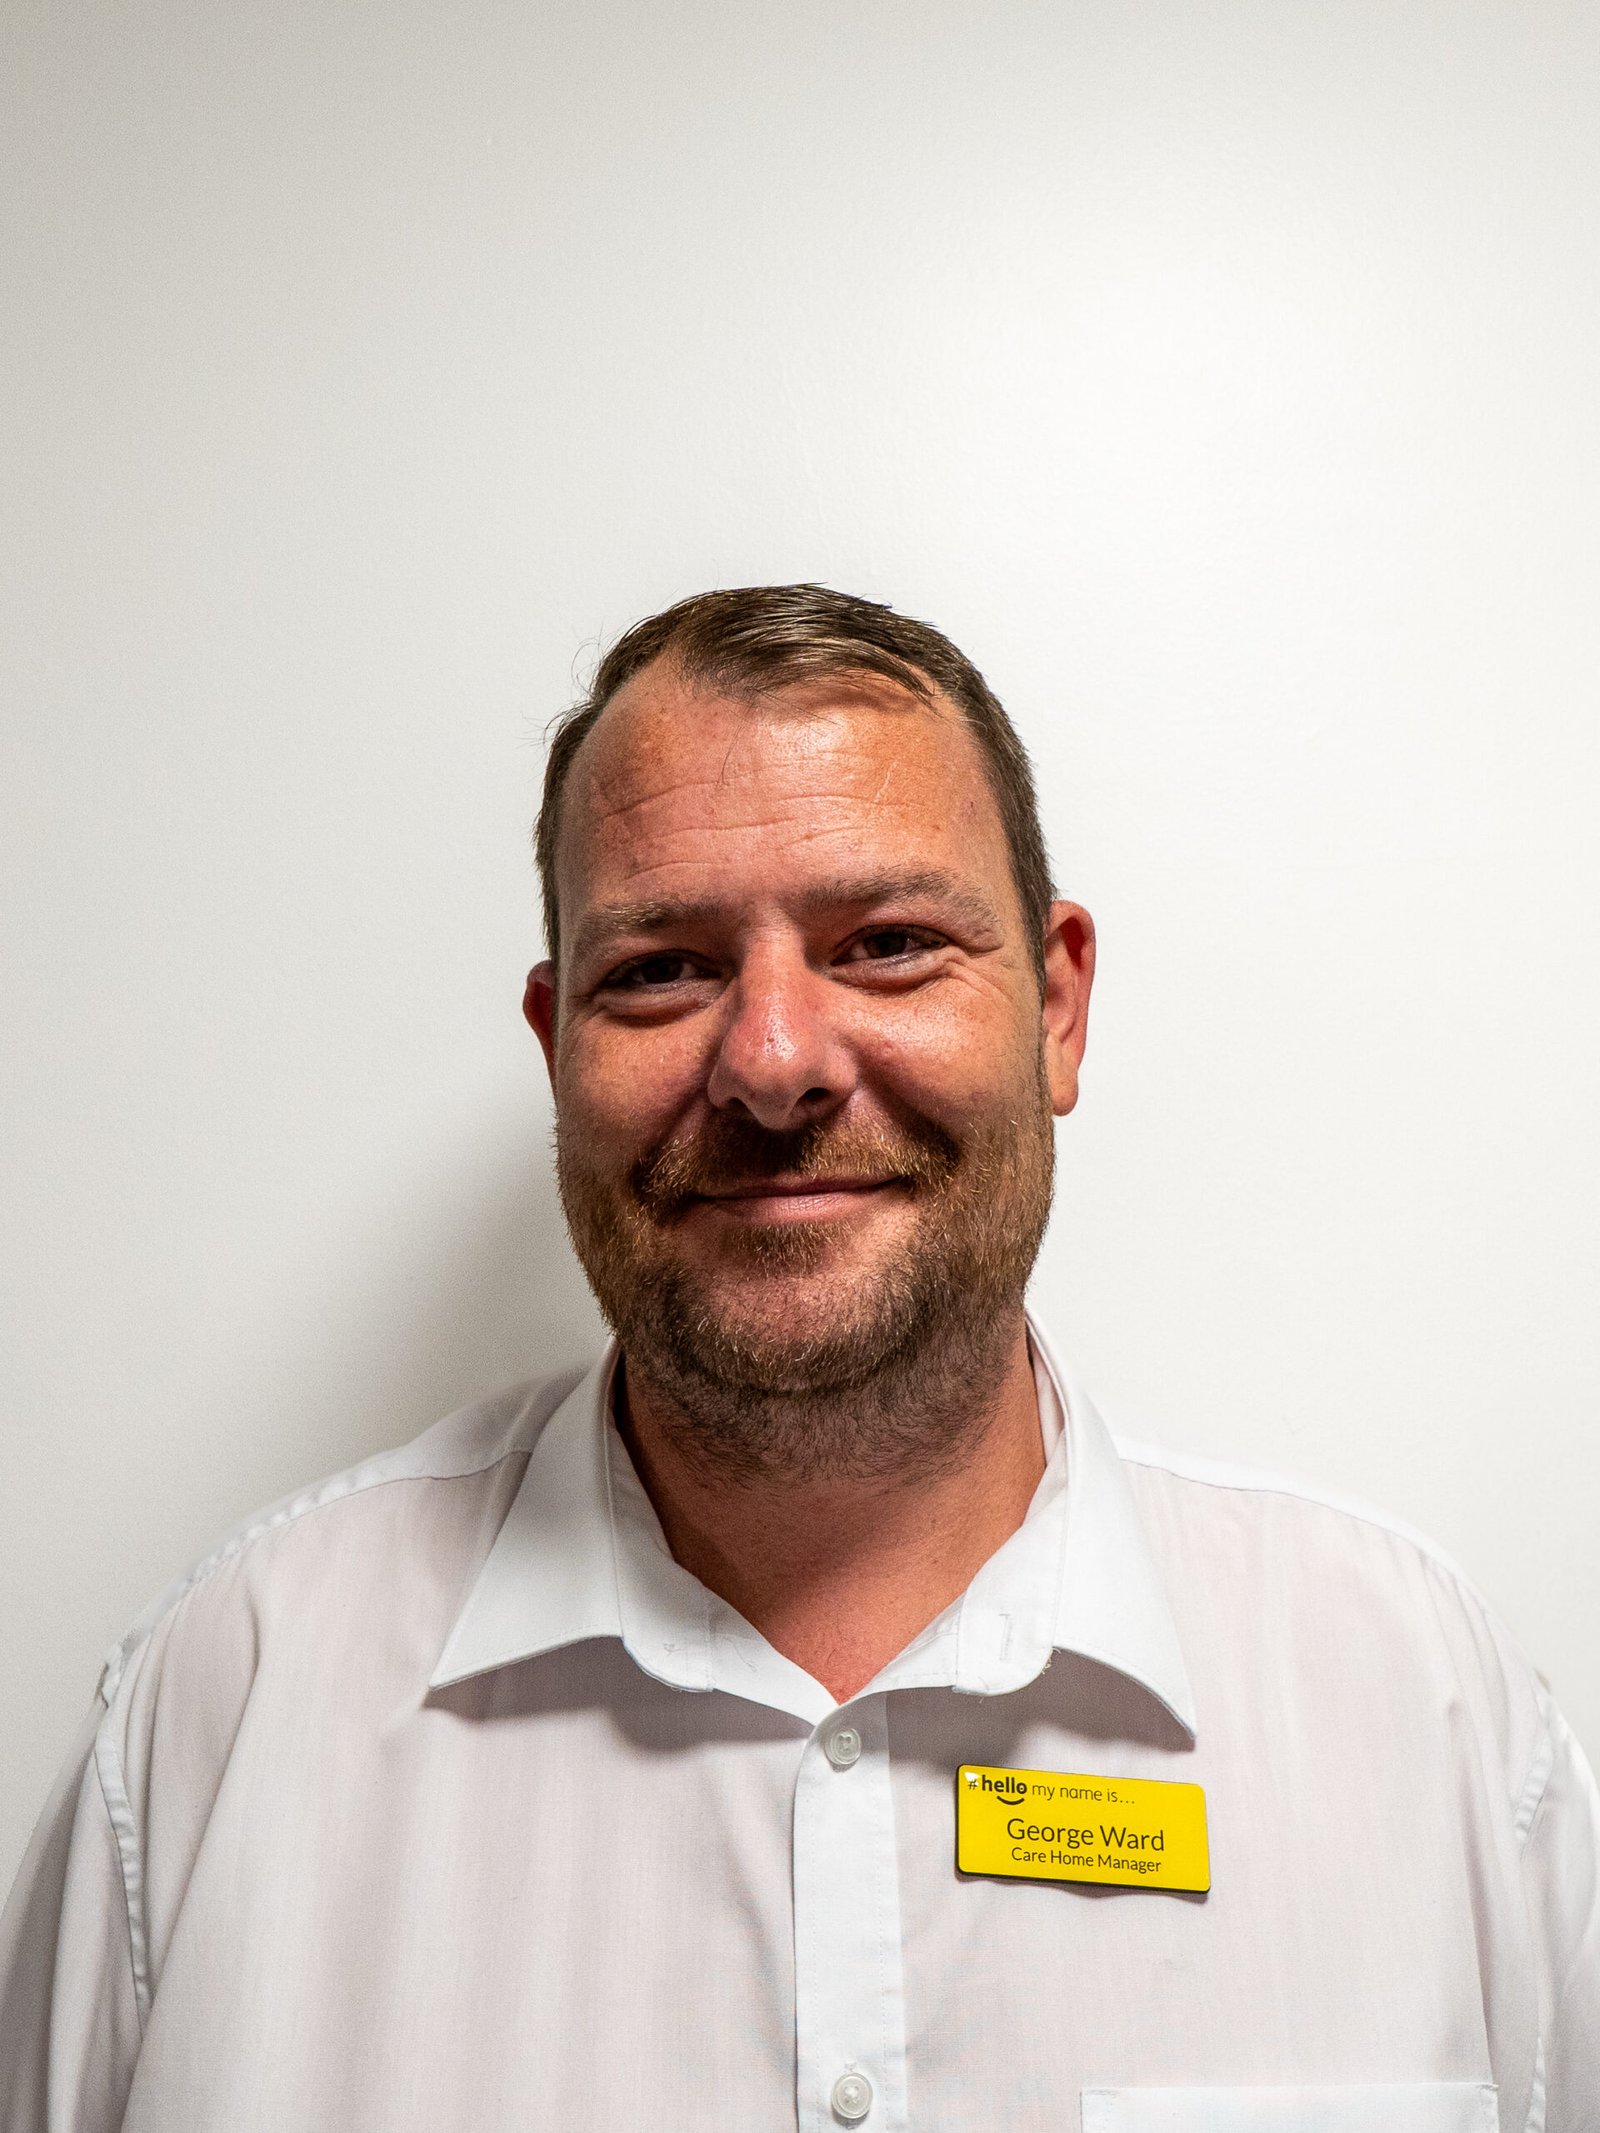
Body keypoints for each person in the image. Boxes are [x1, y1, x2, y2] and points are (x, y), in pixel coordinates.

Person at [1, 584, 1595, 2132]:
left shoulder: (1423, 1710)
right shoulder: (223, 1715)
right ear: (556, 1044)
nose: (773, 1062)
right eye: (661, 969)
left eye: (887, 941)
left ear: (1057, 1007)